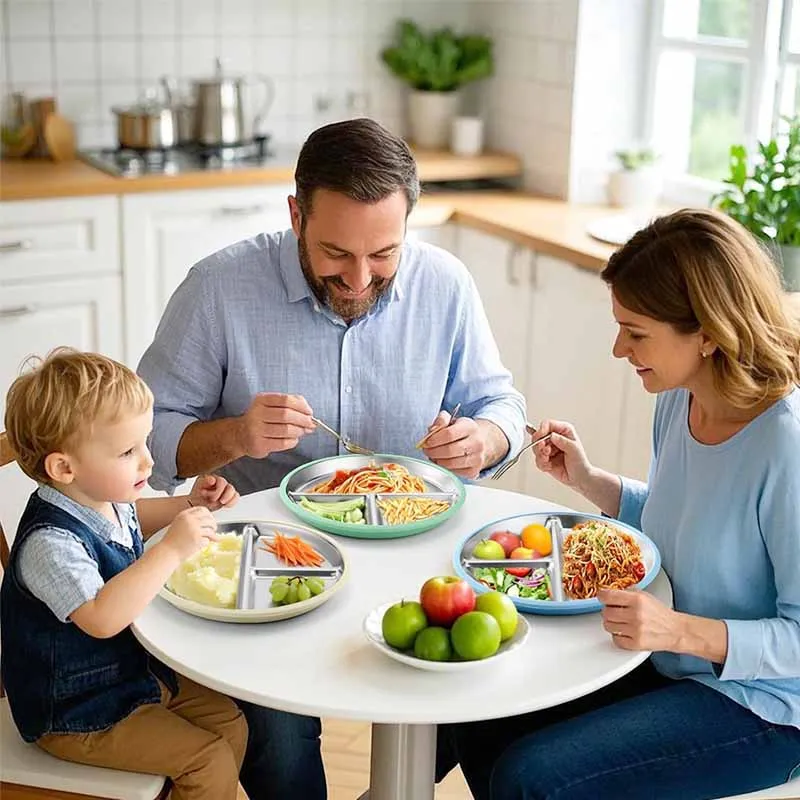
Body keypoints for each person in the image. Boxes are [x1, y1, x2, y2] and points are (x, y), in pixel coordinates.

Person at [138, 117, 527, 798]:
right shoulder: (219, 288)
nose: (357, 279)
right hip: (259, 563)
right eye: (335, 253)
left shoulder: (446, 284)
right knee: (281, 741)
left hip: (413, 556)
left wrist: (484, 439)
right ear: (295, 214)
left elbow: (502, 407)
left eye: (383, 254)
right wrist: (233, 436)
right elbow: (149, 438)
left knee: (462, 695)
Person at [435, 209, 800, 799]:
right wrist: (589, 480)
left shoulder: (786, 446)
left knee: (533, 780)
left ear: (707, 333)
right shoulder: (679, 399)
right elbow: (685, 518)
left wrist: (679, 631)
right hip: (671, 661)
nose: (617, 349)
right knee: (478, 709)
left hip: (766, 706)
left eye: (636, 332)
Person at [1, 349, 247, 800]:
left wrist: (190, 506)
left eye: (145, 443)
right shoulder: (49, 544)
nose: (148, 463)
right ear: (64, 468)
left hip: (132, 675)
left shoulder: (100, 495)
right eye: (128, 451)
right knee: (207, 758)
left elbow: (134, 517)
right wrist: (172, 549)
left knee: (229, 722)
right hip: (77, 709)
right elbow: (102, 617)